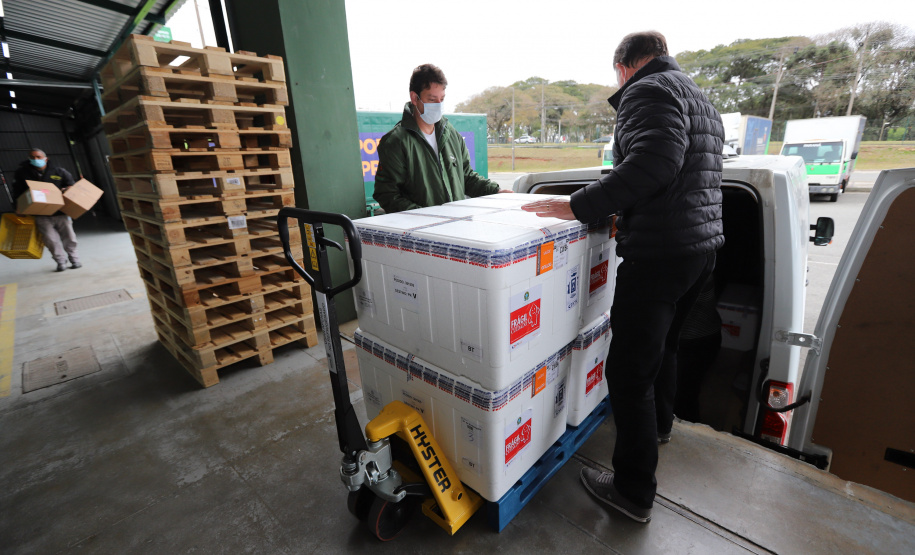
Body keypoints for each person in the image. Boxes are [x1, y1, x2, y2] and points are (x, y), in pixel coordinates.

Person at [521, 31, 724, 523]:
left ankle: (633, 491)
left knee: (628, 373)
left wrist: (577, 206)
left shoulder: (647, 90)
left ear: (624, 67)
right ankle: (660, 427)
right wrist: (625, 213)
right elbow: (682, 176)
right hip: (699, 251)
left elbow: (654, 163)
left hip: (660, 257)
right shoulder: (699, 97)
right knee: (667, 347)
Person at [373, 64, 511, 213]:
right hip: (422, 231)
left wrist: (495, 192)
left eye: (442, 99)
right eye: (432, 100)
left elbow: (466, 177)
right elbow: (387, 194)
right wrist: (425, 216)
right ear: (414, 98)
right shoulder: (396, 142)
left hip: (457, 225)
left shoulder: (451, 134)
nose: (438, 105)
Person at [13, 148, 82, 272]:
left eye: (38, 157)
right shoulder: (22, 174)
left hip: (61, 211)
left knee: (70, 237)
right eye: (32, 157)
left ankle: (74, 259)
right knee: (50, 240)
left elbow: (72, 185)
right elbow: (17, 192)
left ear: (46, 158)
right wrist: (18, 208)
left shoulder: (59, 171)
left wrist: (66, 189)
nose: (36, 160)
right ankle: (60, 261)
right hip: (40, 213)